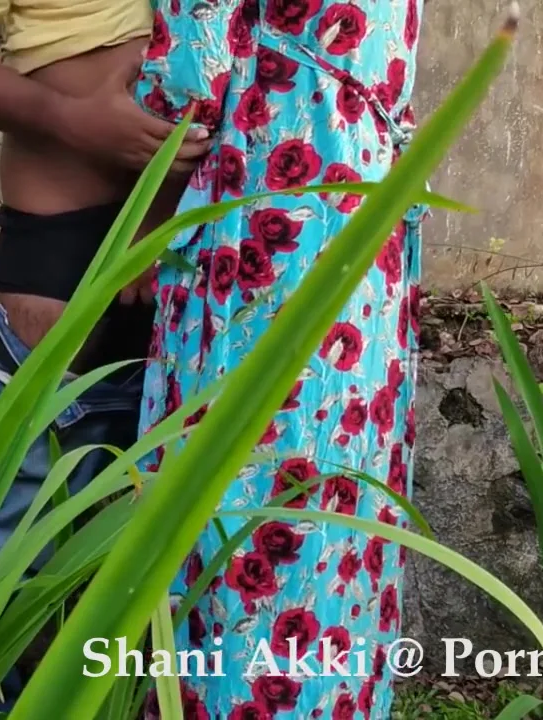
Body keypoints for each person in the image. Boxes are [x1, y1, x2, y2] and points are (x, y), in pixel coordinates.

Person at [0, 0, 210, 710]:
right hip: (58, 267)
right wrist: (74, 122)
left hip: (207, 269)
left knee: (151, 564)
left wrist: (164, 196)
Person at [133, 0, 427, 717]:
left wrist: (143, 220)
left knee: (244, 489)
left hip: (268, 209)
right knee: (337, 482)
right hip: (365, 199)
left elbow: (189, 78)